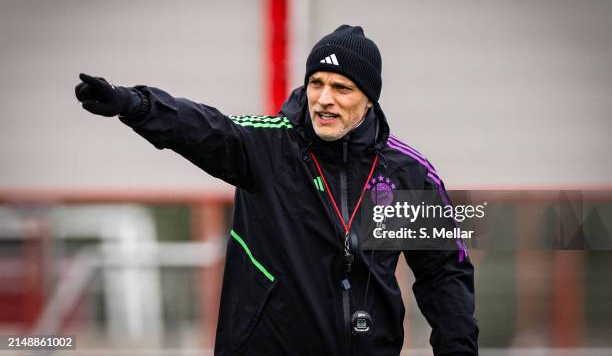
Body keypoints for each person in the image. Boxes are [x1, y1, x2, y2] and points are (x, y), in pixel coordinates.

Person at [75, 25, 478, 355]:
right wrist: (134, 105)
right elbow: (203, 128)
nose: (324, 99)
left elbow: (445, 275)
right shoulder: (267, 146)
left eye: (342, 88)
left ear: (369, 99)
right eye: (316, 83)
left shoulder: (410, 175)